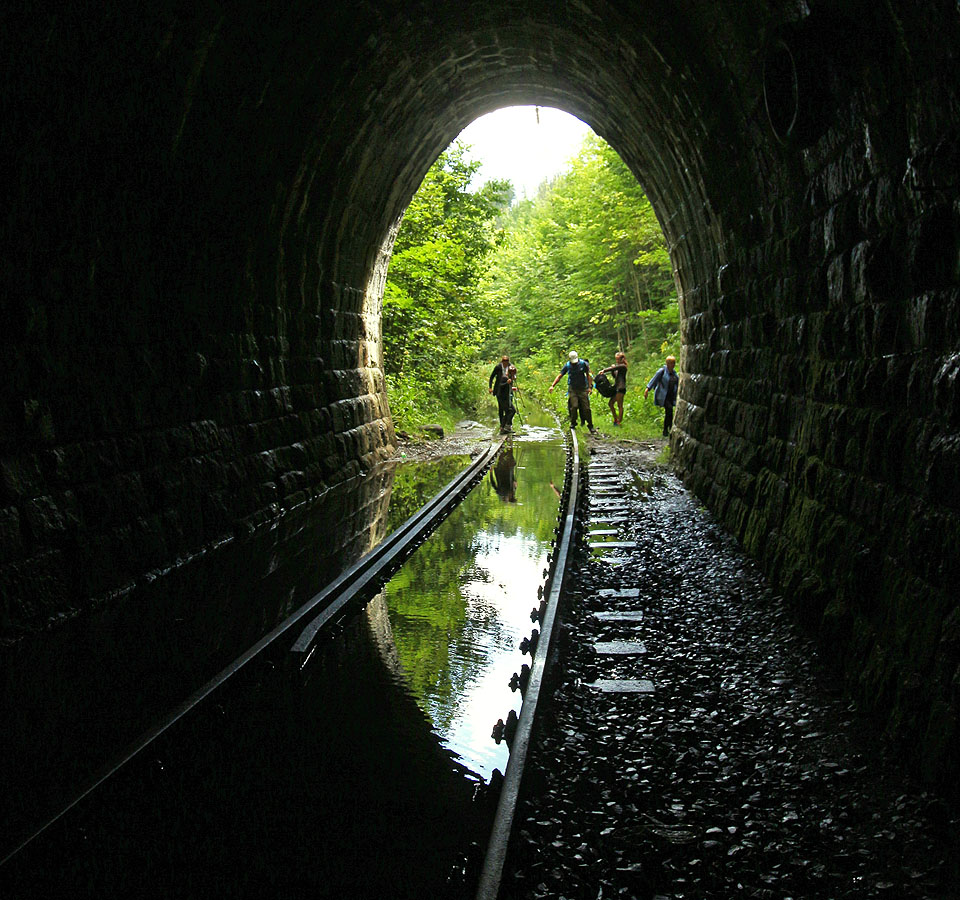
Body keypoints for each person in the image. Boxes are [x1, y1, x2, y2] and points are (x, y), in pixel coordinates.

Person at [549, 350, 595, 432]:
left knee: (586, 408)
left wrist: (589, 387)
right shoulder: (567, 365)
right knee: (574, 406)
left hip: (583, 388)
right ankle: (573, 423)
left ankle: (590, 425)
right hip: (573, 389)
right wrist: (552, 385)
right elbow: (560, 376)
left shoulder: (583, 364)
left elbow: (588, 375)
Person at [644, 354, 679, 437]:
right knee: (669, 410)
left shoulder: (674, 374)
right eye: (671, 363)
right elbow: (654, 380)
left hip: (671, 396)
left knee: (669, 412)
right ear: (667, 363)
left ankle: (667, 430)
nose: (673, 365)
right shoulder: (662, 371)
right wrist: (647, 389)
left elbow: (678, 384)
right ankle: (667, 429)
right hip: (663, 396)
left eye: (674, 363)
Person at [598, 351, 628, 426]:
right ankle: (615, 419)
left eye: (617, 359)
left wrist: (605, 370)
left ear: (621, 359)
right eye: (616, 359)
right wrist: (612, 371)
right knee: (610, 403)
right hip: (616, 388)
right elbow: (615, 376)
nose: (616, 361)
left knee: (619, 405)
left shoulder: (623, 366)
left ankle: (619, 422)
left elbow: (615, 368)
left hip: (621, 388)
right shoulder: (619, 368)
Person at [489, 355, 515, 433]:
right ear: (502, 361)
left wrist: (512, 386)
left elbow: (513, 377)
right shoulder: (498, 367)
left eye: (507, 361)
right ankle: (502, 425)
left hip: (508, 390)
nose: (505, 363)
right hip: (499, 390)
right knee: (502, 408)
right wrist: (490, 387)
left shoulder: (511, 367)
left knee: (509, 408)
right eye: (504, 361)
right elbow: (492, 377)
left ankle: (507, 425)